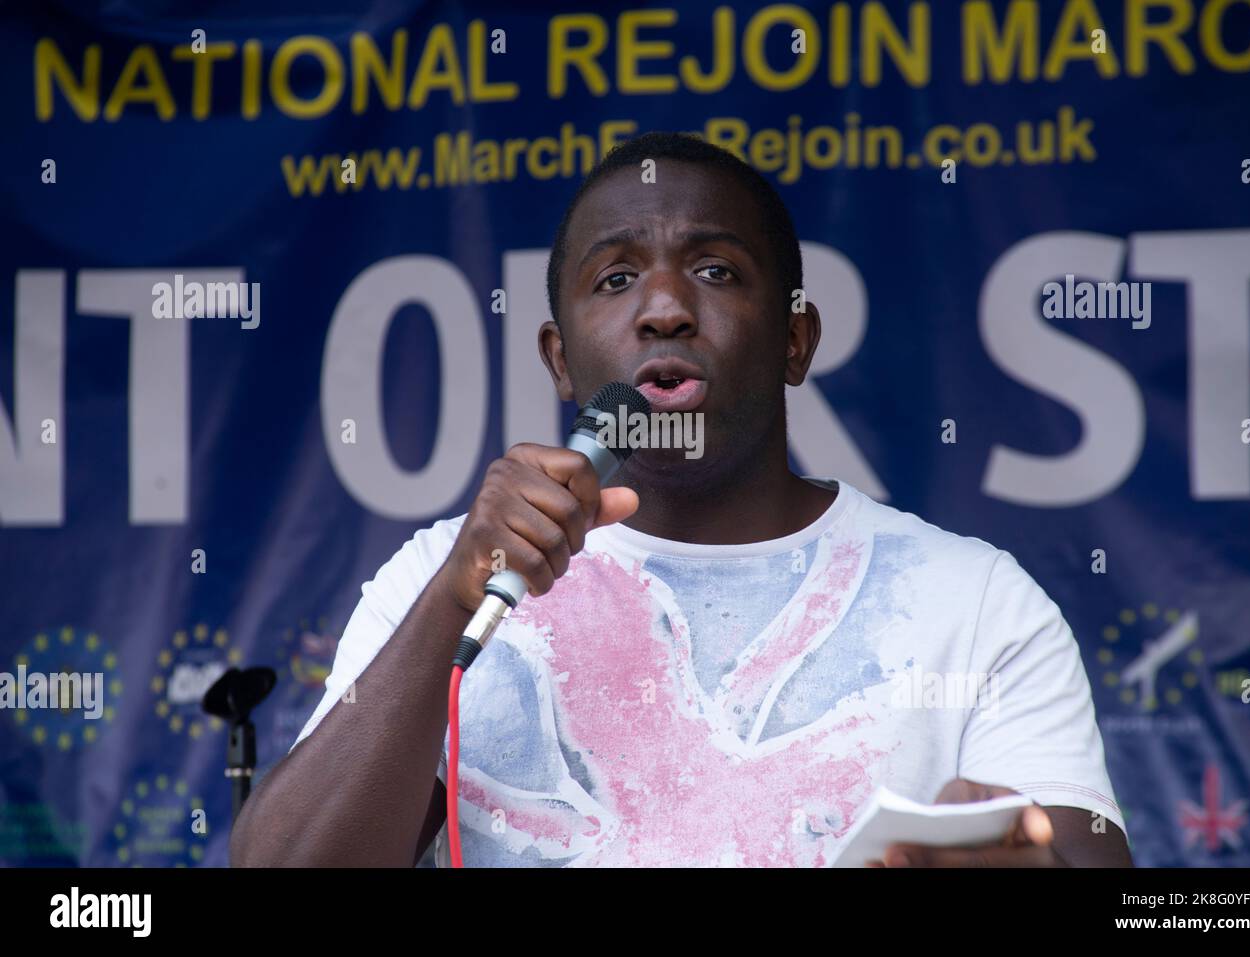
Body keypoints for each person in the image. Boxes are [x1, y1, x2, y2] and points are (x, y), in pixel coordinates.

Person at [229, 131, 1132, 868]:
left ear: (794, 340)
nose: (664, 308)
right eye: (616, 279)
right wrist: (447, 610)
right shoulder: (442, 578)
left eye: (716, 271)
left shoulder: (976, 601)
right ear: (559, 358)